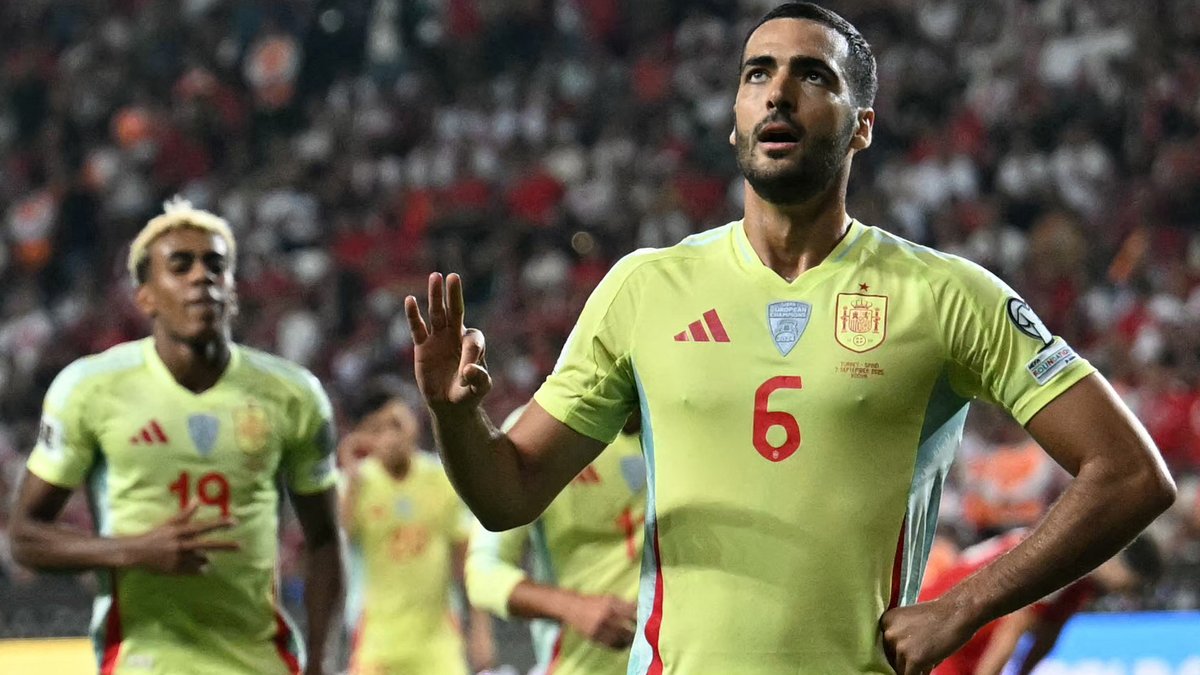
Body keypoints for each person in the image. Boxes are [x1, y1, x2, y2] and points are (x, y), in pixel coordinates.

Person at [403, 3, 1176, 673]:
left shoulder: (945, 295)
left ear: (862, 126)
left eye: (812, 75)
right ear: (734, 117)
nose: (777, 91)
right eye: (757, 73)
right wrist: (454, 415)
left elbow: (1130, 473)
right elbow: (507, 494)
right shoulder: (644, 289)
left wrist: (963, 605)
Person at [8, 198, 343, 674]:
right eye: (180, 266)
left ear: (232, 289)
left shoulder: (294, 394)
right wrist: (132, 551)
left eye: (215, 266)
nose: (201, 276)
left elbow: (325, 540)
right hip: (144, 661)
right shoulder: (90, 389)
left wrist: (322, 666)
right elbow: (25, 536)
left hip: (261, 661)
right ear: (145, 296)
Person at [466, 406, 644, 675]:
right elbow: (483, 570)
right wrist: (573, 607)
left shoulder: (684, 419)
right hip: (582, 664)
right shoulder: (543, 427)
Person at [339, 388, 495, 675]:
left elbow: (466, 560)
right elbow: (337, 543)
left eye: (396, 425)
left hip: (437, 644)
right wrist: (350, 479)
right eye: (377, 429)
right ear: (364, 435)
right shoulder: (357, 485)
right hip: (376, 643)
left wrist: (481, 629)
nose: (389, 437)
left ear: (414, 422)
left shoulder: (442, 478)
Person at [919, 531, 1162, 675]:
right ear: (1119, 561)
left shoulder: (1085, 581)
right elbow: (1011, 631)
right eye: (1133, 585)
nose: (1126, 593)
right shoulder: (1063, 559)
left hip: (967, 634)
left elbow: (1048, 637)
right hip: (945, 628)